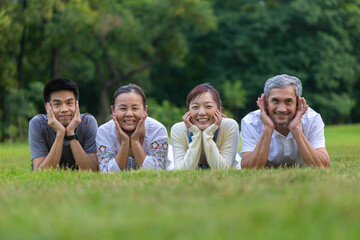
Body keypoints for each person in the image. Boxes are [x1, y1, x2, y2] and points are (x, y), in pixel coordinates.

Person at [240, 74, 330, 168]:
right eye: (275, 101)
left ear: (298, 102)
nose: (282, 109)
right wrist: (268, 128)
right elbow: (248, 168)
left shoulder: (312, 119)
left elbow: (322, 165)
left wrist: (296, 129)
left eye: (288, 101)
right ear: (266, 101)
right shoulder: (250, 122)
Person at [96, 84, 169, 172]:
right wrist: (125, 142)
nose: (129, 114)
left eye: (135, 108)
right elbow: (107, 173)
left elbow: (156, 172)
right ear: (113, 110)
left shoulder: (157, 130)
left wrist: (135, 142)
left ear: (145, 110)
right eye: (123, 108)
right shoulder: (104, 132)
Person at [29, 78, 98, 171]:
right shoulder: (38, 124)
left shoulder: (88, 122)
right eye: (57, 104)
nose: (64, 109)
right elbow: (40, 172)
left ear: (76, 104)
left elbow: (93, 170)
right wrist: (60, 133)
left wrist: (71, 133)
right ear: (47, 107)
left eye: (69, 103)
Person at [171, 83, 241, 170]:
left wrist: (207, 134)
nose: (201, 113)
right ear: (188, 111)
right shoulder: (178, 130)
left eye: (208, 106)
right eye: (195, 107)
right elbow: (182, 171)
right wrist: (196, 133)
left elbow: (223, 170)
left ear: (219, 110)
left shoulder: (229, 126)